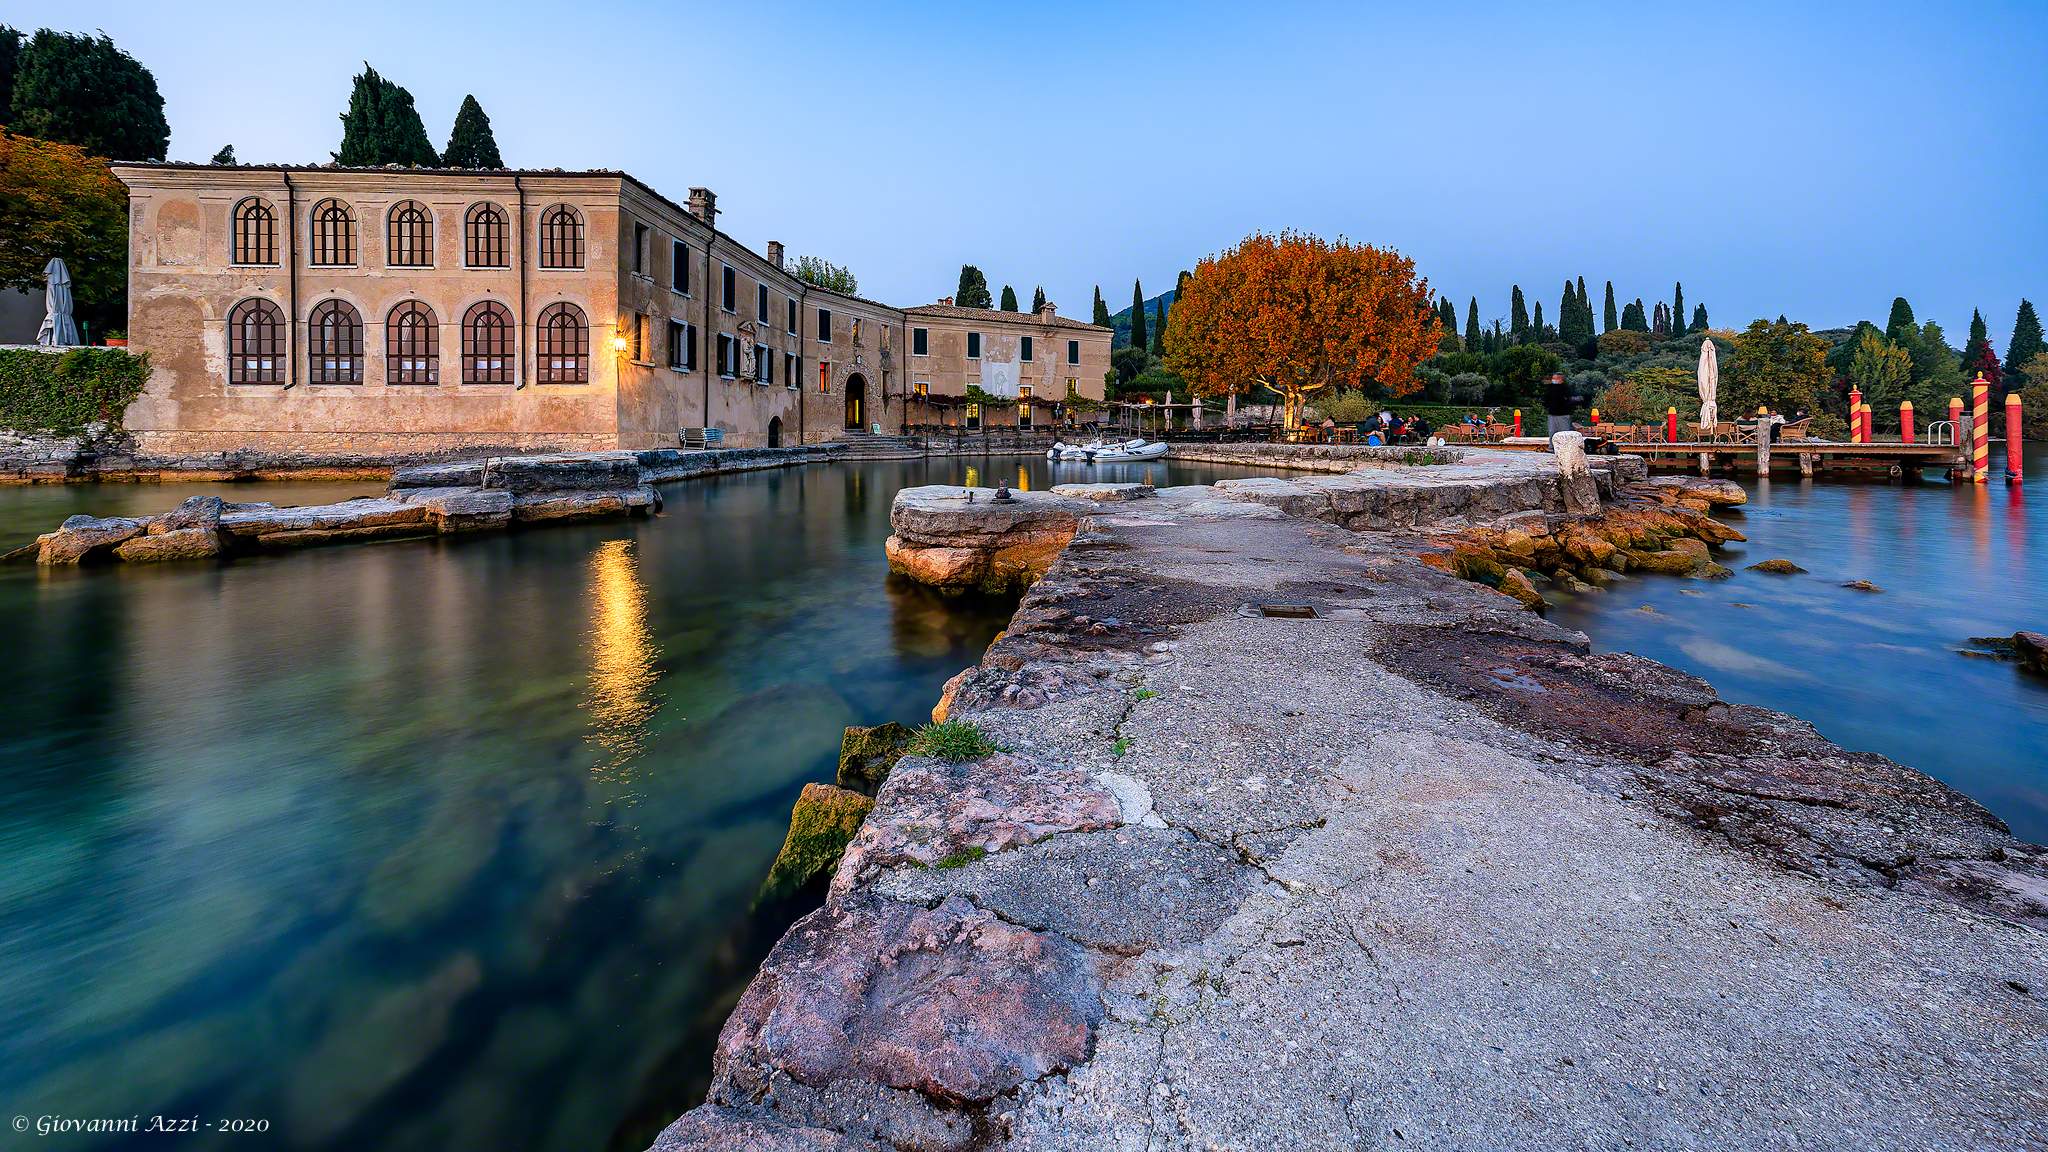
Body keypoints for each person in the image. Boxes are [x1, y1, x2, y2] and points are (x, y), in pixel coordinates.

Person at [1543, 371, 1575, 438]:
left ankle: (1564, 447)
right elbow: (1546, 398)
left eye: (1554, 378)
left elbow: (1570, 399)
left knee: (1564, 433)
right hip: (1552, 413)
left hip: (1563, 414)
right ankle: (1552, 447)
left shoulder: (1566, 388)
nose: (1553, 380)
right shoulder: (1550, 388)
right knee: (1552, 432)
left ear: (1560, 379)